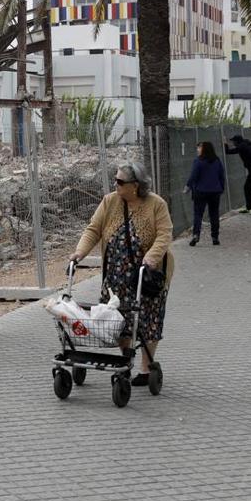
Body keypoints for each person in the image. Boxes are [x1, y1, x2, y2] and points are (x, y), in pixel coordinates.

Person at [68, 163, 174, 386]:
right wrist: (79, 253)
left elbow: (164, 235)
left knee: (147, 321)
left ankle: (146, 368)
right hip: (115, 276)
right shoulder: (110, 201)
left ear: (135, 185)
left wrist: (151, 258)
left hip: (146, 276)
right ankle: (126, 360)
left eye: (120, 181)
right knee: (117, 320)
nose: (115, 184)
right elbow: (93, 230)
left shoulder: (156, 204)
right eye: (115, 180)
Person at [185, 141, 225, 246]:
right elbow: (221, 175)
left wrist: (187, 187)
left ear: (204, 149)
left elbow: (194, 175)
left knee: (198, 214)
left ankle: (196, 235)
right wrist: (221, 188)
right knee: (214, 214)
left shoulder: (198, 161)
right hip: (215, 191)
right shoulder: (217, 161)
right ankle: (215, 237)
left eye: (199, 148)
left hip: (200, 191)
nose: (198, 150)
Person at [225, 135, 251, 213]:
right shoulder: (249, 145)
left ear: (237, 141)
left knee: (247, 187)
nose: (233, 143)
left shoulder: (242, 147)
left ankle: (249, 208)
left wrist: (224, 144)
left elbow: (228, 152)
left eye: (234, 142)